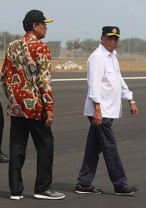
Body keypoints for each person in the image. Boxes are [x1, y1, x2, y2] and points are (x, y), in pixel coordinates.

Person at [0, 9, 65, 200]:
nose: (46, 28)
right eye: (44, 24)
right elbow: (44, 80)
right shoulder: (41, 48)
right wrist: (49, 107)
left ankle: (15, 191)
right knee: (45, 144)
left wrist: (12, 99)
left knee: (17, 147)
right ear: (35, 26)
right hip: (36, 106)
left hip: (16, 107)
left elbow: (4, 77)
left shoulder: (11, 46)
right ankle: (43, 188)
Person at [76, 26, 139, 196]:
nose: (113, 42)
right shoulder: (97, 58)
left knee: (93, 147)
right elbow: (94, 85)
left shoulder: (112, 57)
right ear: (102, 38)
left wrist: (130, 99)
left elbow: (118, 80)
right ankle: (120, 184)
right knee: (110, 147)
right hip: (101, 111)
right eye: (110, 38)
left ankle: (84, 183)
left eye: (115, 39)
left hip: (109, 110)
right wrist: (97, 108)